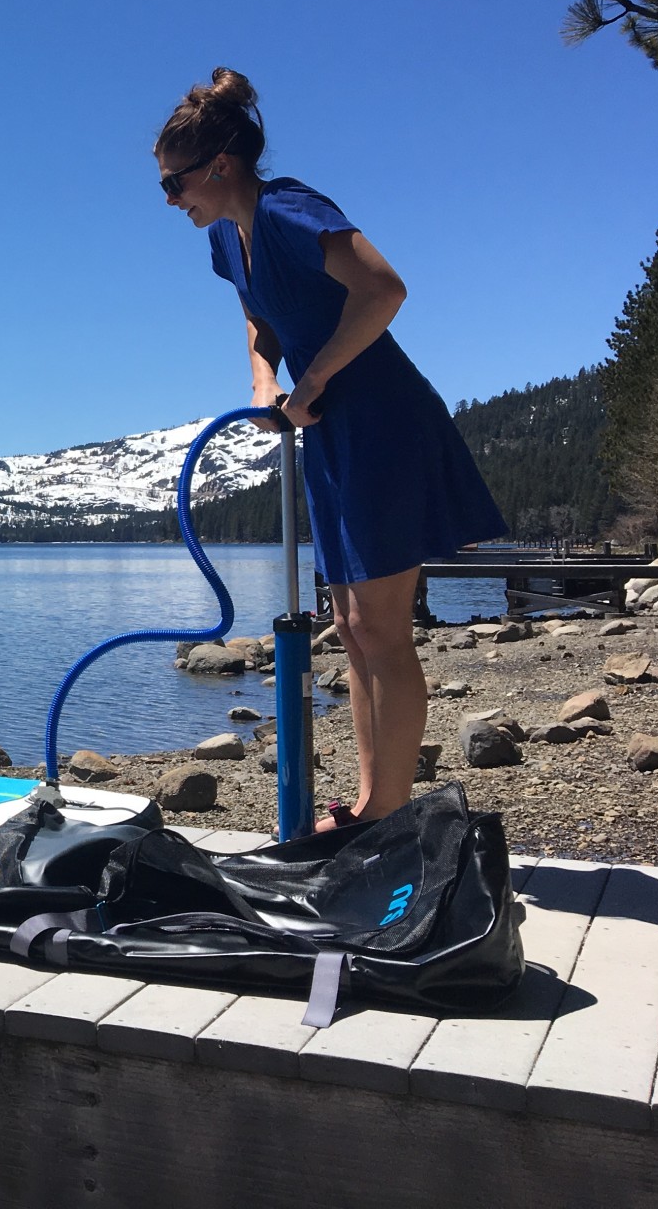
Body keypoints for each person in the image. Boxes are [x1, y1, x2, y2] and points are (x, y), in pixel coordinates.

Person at [156, 68, 506, 829]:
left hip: (381, 420)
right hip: (327, 429)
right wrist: (264, 381)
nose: (171, 199)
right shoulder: (225, 237)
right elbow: (258, 315)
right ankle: (374, 805)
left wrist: (311, 379)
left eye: (174, 183)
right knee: (349, 625)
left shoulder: (288, 210)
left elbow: (383, 289)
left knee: (380, 626)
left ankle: (387, 813)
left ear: (220, 165)